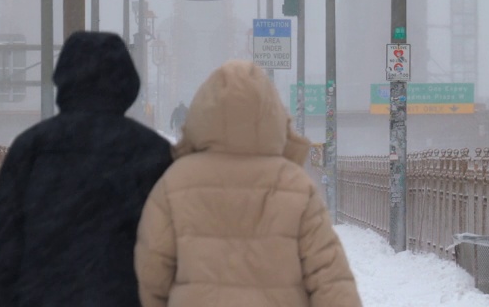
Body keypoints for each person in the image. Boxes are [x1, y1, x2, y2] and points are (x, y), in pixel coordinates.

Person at [135, 59, 362, 307]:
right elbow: (329, 277)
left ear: (202, 114)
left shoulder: (174, 183)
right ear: (272, 114)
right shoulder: (296, 186)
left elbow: (151, 274)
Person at [0, 31, 173, 306]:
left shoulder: (32, 148)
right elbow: (171, 248)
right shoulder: (153, 152)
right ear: (127, 82)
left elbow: (0, 244)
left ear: (64, 79)